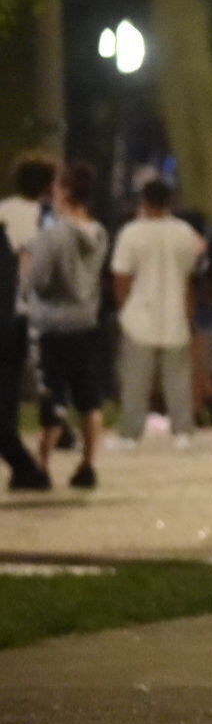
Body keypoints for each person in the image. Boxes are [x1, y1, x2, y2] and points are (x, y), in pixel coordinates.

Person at [27, 161, 109, 488]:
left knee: (53, 395)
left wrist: (27, 267)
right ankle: (88, 465)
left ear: (64, 191)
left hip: (54, 324)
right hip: (86, 321)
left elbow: (39, 281)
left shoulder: (53, 235)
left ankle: (43, 466)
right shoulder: (99, 232)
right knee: (88, 397)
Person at [111, 178, 205, 447]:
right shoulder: (184, 232)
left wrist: (123, 309)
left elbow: (121, 276)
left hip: (140, 314)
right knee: (177, 378)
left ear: (143, 201)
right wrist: (189, 312)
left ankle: (130, 433)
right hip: (175, 312)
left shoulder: (131, 233)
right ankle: (183, 431)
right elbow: (190, 277)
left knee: (135, 379)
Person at [0, 156, 54, 490]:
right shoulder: (47, 220)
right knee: (9, 392)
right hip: (20, 316)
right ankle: (22, 461)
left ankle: (21, 462)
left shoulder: (3, 211)